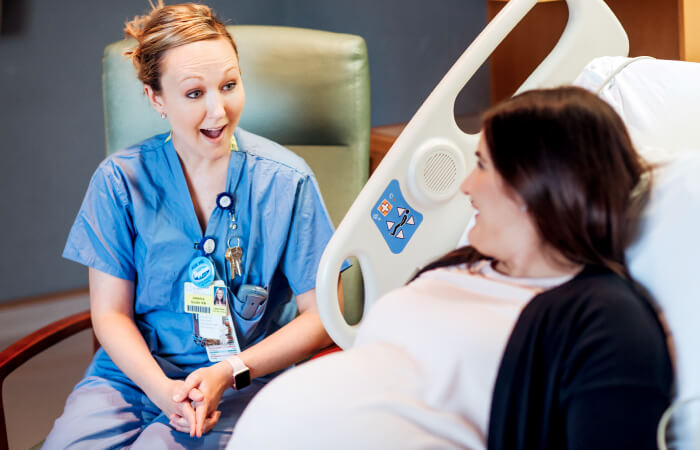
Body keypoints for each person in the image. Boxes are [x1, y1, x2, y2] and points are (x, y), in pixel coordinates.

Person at [229, 87, 673, 450]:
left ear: (536, 185)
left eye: (482, 165)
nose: (465, 185)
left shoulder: (605, 317)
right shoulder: (463, 265)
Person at [44, 2, 344, 448]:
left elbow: (322, 318)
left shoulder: (286, 182)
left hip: (243, 381)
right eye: (193, 93)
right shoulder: (119, 182)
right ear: (155, 98)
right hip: (130, 377)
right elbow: (110, 314)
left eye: (229, 85)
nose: (218, 111)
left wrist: (230, 371)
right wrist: (161, 389)